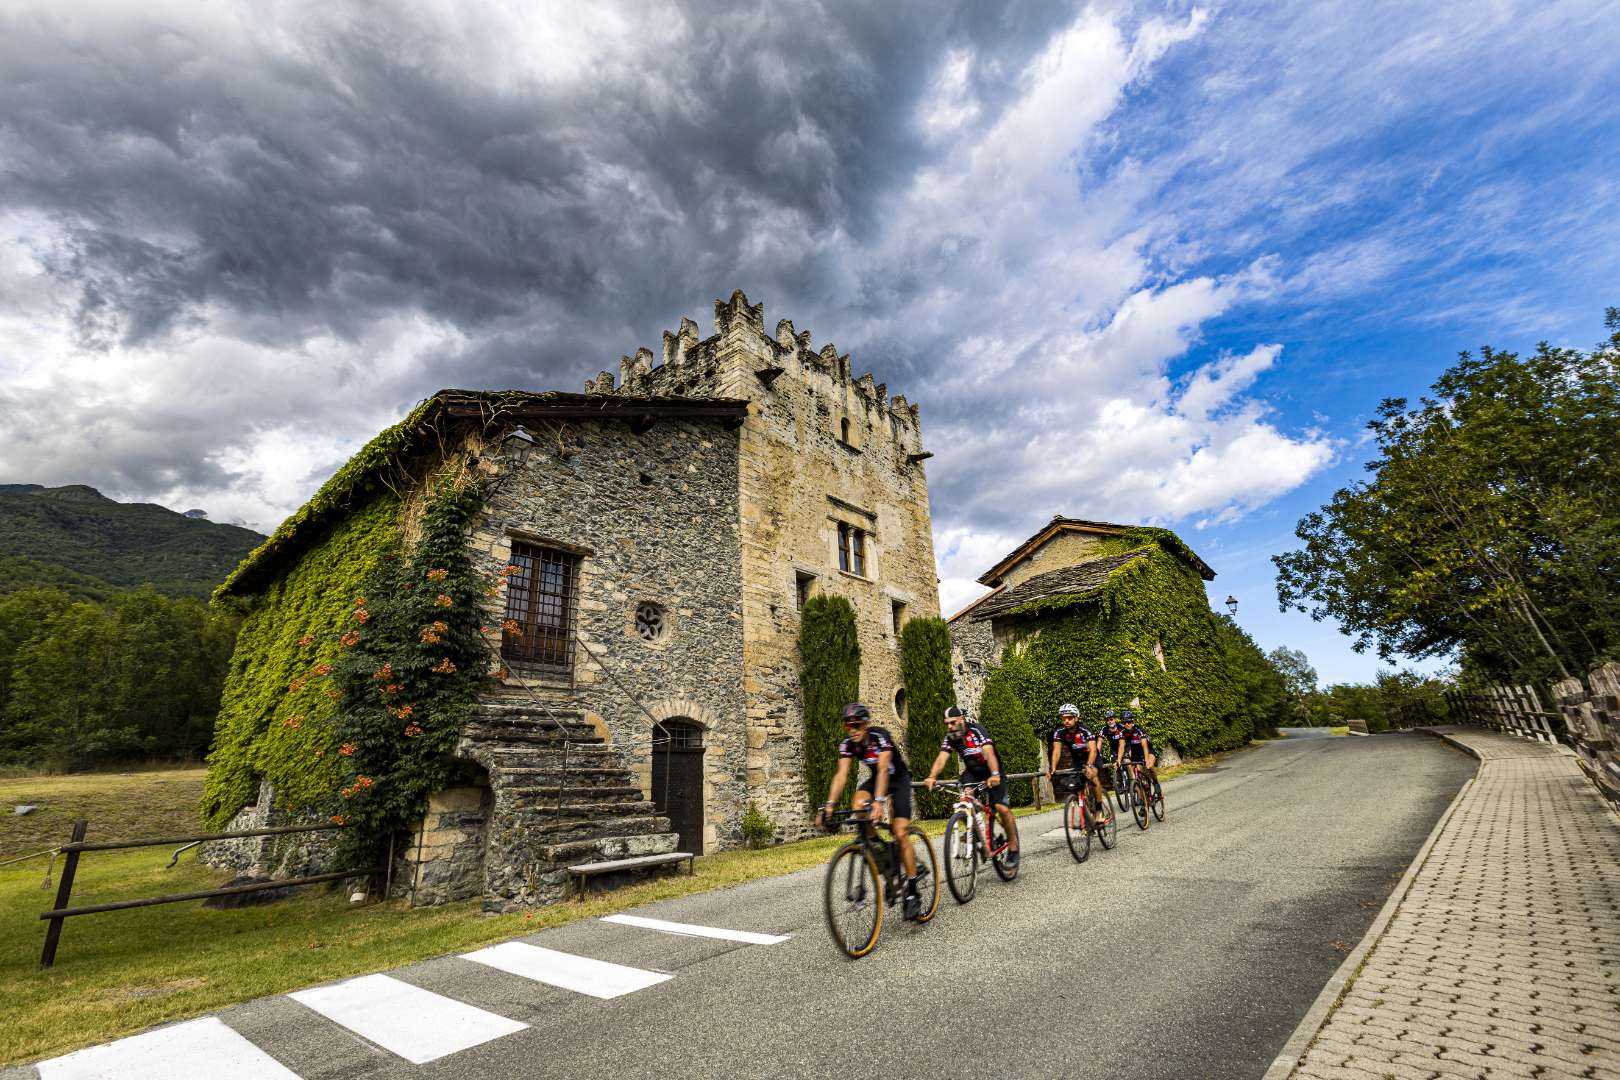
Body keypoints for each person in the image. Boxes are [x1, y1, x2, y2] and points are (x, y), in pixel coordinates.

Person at [815, 702, 923, 917]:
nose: (852, 730)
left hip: (898, 780)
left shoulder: (879, 737)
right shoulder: (848, 745)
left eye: (856, 725)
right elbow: (841, 775)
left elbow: (883, 768)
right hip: (877, 780)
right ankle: (878, 847)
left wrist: (880, 801)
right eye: (848, 726)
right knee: (858, 805)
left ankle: (912, 891)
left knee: (900, 832)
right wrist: (829, 805)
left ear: (866, 724)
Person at [923, 705, 1019, 866]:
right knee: (965, 799)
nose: (949, 727)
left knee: (1002, 809)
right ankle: (974, 827)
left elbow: (989, 753)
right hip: (972, 772)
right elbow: (942, 758)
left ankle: (1014, 848)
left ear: (961, 720)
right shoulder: (951, 737)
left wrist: (995, 774)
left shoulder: (977, 731)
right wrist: (932, 777)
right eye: (946, 723)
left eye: (952, 723)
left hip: (992, 769)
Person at [1046, 703, 1109, 819]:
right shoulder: (1060, 732)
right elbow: (1056, 751)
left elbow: (1093, 750)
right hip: (1078, 760)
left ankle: (1099, 809)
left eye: (1069, 718)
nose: (1066, 721)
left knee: (1092, 776)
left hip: (1092, 757)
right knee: (1077, 786)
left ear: (1076, 718)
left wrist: (1090, 765)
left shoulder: (1084, 729)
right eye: (1063, 719)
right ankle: (1086, 816)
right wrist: (1053, 768)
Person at [1120, 710, 1161, 798]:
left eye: (1129, 722)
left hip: (1148, 751)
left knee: (1149, 765)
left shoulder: (1139, 729)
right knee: (1139, 771)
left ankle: (1156, 783)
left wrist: (1146, 759)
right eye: (1124, 722)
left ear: (1132, 721)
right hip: (1136, 754)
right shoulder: (1123, 732)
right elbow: (1121, 746)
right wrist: (1118, 760)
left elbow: (1144, 745)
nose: (1127, 724)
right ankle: (1145, 794)